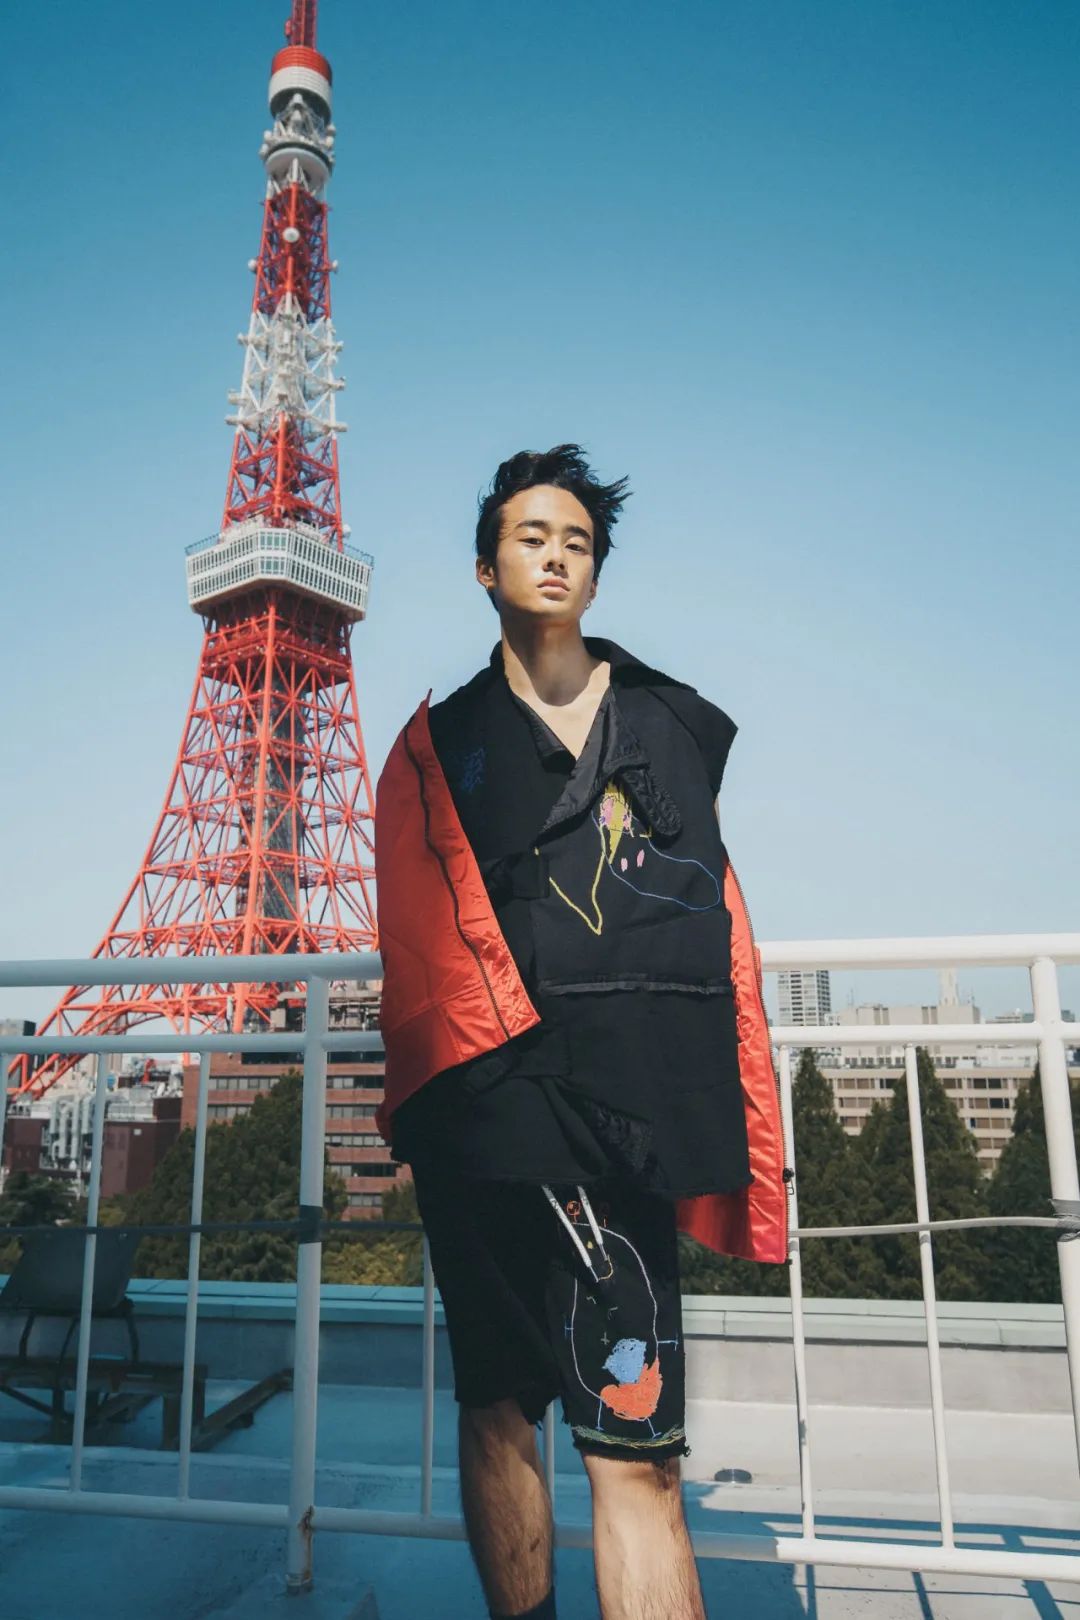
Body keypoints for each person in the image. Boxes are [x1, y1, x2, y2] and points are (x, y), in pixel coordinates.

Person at [373, 445, 788, 1620]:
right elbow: (413, 934)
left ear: (596, 575)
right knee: (497, 1413)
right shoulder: (440, 743)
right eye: (531, 537)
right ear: (485, 568)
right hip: (485, 1112)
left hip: (625, 1120)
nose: (556, 557)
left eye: (577, 543)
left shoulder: (669, 723)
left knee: (637, 1449)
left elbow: (704, 911)